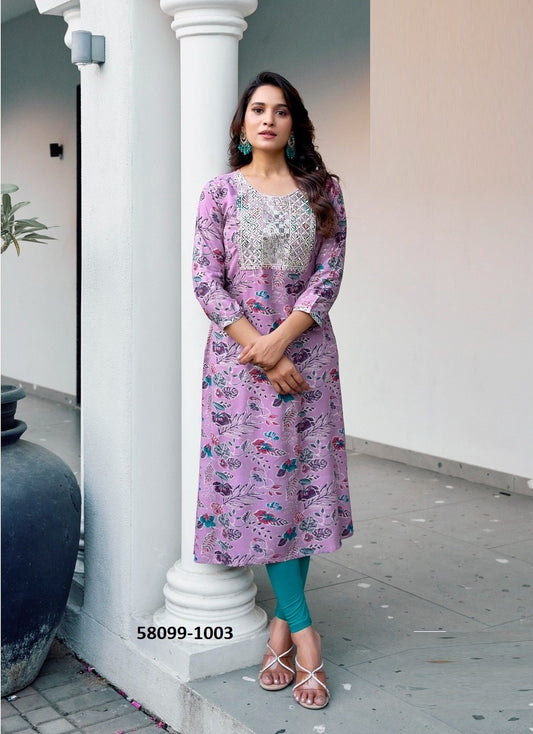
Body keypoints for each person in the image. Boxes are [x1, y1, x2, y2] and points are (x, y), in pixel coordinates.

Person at [192, 70, 353, 710]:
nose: (268, 119)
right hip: (239, 368)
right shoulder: (219, 193)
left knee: (302, 490)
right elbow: (205, 280)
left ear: (294, 124)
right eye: (258, 109)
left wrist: (280, 342)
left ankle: (280, 633)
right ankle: (308, 637)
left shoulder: (324, 190)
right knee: (262, 493)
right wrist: (259, 350)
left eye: (280, 111)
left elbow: (329, 275)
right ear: (242, 124)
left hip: (306, 358)